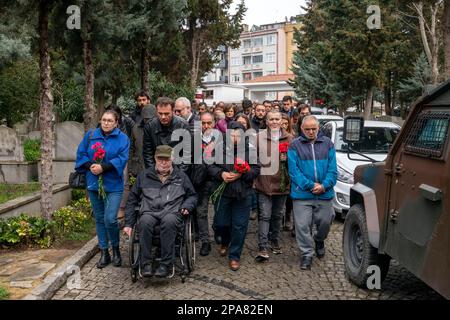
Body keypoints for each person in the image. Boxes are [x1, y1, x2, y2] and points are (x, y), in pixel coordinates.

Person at [124, 145, 197, 278]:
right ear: (155, 159)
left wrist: (187, 205)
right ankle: (145, 263)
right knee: (144, 222)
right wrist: (128, 223)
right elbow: (132, 199)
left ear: (172, 160)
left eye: (167, 159)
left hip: (172, 212)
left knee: (169, 222)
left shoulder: (181, 176)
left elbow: (192, 195)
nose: (163, 162)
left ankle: (165, 264)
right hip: (149, 211)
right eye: (160, 159)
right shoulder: (144, 175)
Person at [75, 109, 130, 268]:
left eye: (110, 121)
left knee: (110, 219)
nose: (106, 123)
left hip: (113, 185)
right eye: (104, 120)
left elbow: (122, 158)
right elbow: (81, 154)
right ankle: (104, 252)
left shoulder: (122, 138)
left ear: (116, 123)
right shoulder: (92, 135)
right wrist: (91, 165)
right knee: (99, 219)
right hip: (94, 183)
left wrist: (103, 167)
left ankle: (116, 249)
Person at [208, 121, 261, 271]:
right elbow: (209, 166)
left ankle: (234, 256)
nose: (235, 137)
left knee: (239, 225)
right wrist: (221, 173)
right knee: (221, 223)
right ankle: (224, 241)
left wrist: (242, 174)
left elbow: (256, 170)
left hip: (242, 193)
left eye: (238, 134)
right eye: (232, 133)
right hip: (223, 191)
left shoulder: (250, 149)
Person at [288, 115, 337, 270]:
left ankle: (319, 239)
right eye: (307, 129)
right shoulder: (294, 146)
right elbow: (294, 172)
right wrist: (310, 185)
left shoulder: (328, 144)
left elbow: (333, 169)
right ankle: (307, 254)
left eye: (313, 129)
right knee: (302, 226)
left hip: (324, 193)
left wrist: (324, 185)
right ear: (302, 129)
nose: (310, 132)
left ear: (318, 128)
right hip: (302, 194)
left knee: (325, 223)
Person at [254, 110, 293, 262]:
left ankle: (274, 239)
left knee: (277, 215)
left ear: (282, 120)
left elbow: (295, 162)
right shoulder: (259, 138)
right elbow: (253, 159)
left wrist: (286, 158)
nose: (275, 122)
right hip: (264, 182)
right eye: (272, 119)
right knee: (264, 215)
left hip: (282, 184)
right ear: (267, 121)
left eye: (277, 119)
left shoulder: (289, 139)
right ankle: (262, 245)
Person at [143, 97, 190, 173]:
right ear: (156, 112)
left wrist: (180, 174)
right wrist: (154, 173)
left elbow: (186, 154)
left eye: (166, 114)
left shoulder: (183, 125)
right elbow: (148, 153)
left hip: (177, 168)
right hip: (156, 169)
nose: (163, 117)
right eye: (160, 113)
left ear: (173, 111)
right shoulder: (149, 126)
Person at [105, 105, 135, 226]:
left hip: (123, 155)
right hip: (107, 157)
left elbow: (134, 134)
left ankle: (121, 208)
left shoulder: (127, 122)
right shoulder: (103, 124)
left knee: (124, 181)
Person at [129, 106, 154, 177]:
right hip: (138, 168)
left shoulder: (158, 128)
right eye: (146, 119)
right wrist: (130, 168)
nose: (148, 121)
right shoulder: (135, 128)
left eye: (150, 119)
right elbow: (131, 149)